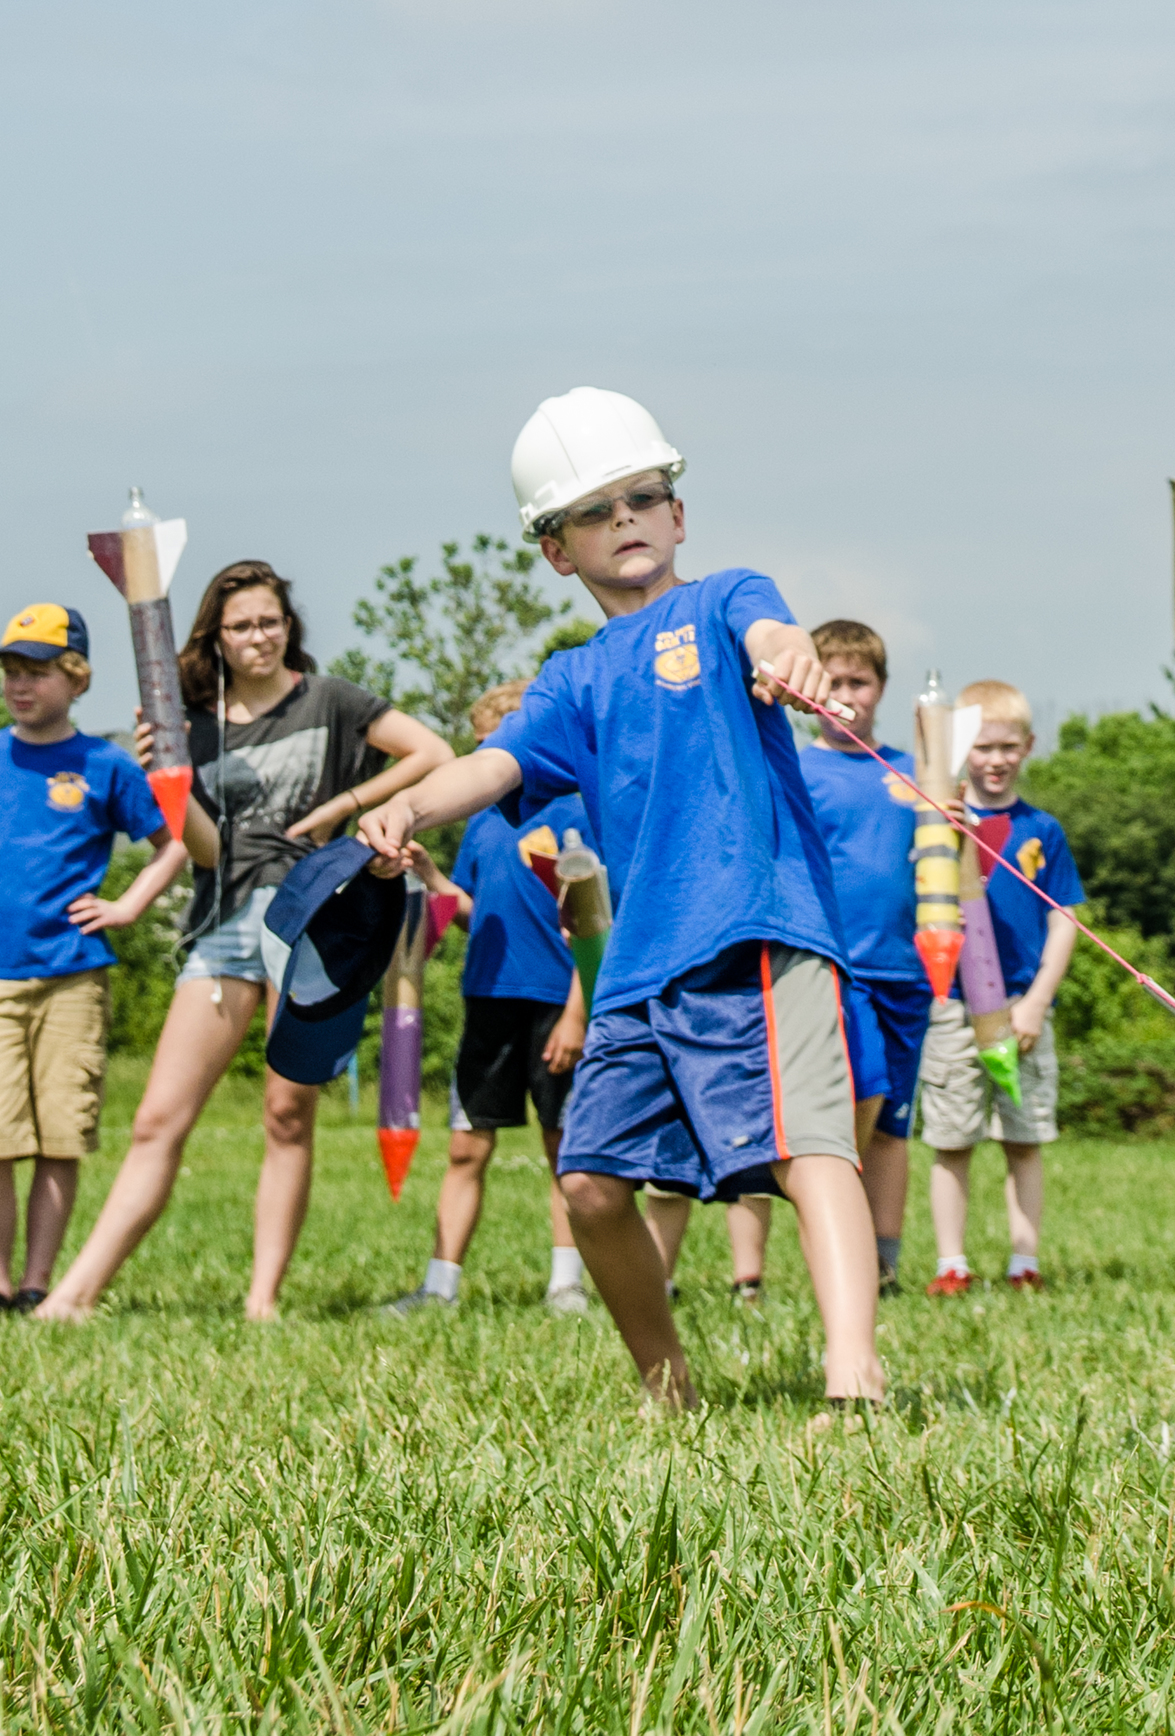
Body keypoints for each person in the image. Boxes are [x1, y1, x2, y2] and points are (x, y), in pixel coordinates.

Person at [360, 386, 882, 1414]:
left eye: (645, 497)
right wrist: (411, 804)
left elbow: (770, 629)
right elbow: (496, 765)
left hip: (756, 931)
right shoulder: (573, 675)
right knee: (590, 1182)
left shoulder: (724, 597)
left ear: (677, 512)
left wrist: (788, 654)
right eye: (597, 511)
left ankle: (853, 1376)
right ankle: (668, 1387)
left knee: (809, 1149)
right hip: (639, 964)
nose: (628, 520)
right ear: (557, 548)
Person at [36, 561, 452, 1320]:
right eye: (241, 626)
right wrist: (168, 772)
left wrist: (343, 807)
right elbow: (200, 849)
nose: (258, 636)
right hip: (225, 924)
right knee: (159, 1117)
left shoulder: (331, 701)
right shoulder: (189, 722)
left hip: (316, 916)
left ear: (288, 627)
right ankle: (74, 1294)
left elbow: (435, 755)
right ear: (216, 639)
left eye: (270, 621)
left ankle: (262, 1302)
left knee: (288, 1115)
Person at [0, 605, 190, 1312]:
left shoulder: (105, 764)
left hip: (72, 974)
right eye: (10, 672)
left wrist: (126, 907)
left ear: (76, 679)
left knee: (60, 1133)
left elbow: (174, 844)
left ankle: (40, 1282)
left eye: (36, 672)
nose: (19, 685)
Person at [645, 620, 927, 1303]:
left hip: (907, 969)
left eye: (860, 681)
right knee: (832, 1109)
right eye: (833, 680)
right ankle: (791, 1260)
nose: (847, 693)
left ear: (882, 688)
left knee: (891, 1124)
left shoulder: (913, 773)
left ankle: (883, 1265)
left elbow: (951, 868)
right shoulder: (801, 766)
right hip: (830, 968)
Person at [384, 677, 591, 1315]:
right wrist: (433, 879)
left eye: (488, 749)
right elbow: (476, 910)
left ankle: (566, 1285)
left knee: (564, 1148)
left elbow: (592, 922)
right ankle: (439, 1288)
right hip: (489, 998)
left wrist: (576, 1016)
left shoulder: (579, 813)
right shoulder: (481, 825)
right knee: (466, 1145)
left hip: (557, 1004)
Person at [920, 679, 1082, 1296]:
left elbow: (1064, 917)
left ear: (1028, 747)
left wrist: (1039, 999)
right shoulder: (940, 818)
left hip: (1020, 1006)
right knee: (951, 1140)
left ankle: (1024, 1261)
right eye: (983, 747)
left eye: (1008, 747)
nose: (995, 759)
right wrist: (944, 828)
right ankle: (951, 1264)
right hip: (954, 1004)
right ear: (963, 749)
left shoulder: (1044, 830)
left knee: (1024, 1138)